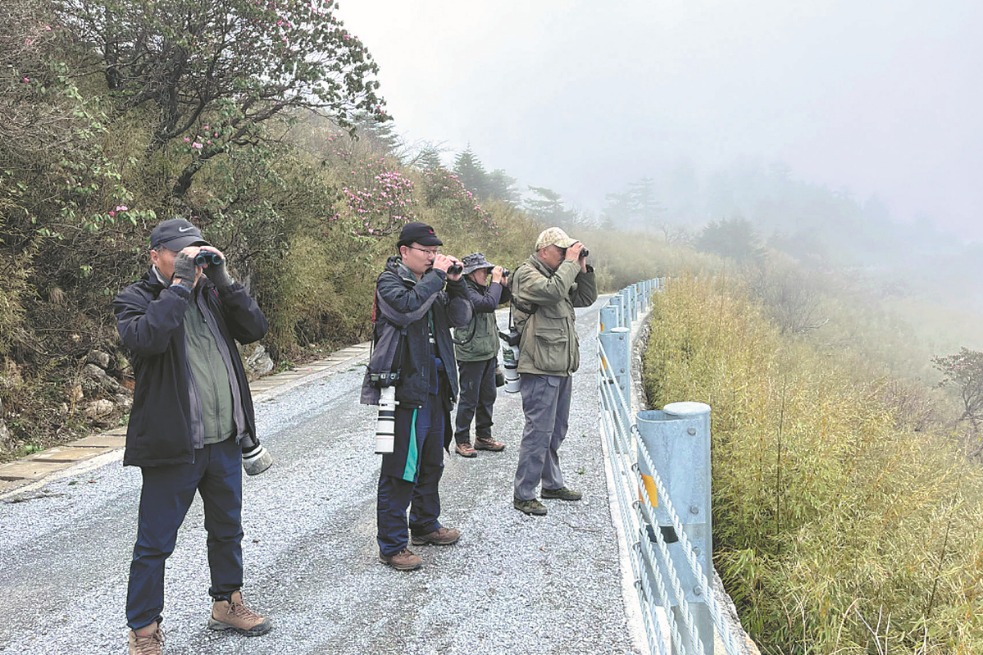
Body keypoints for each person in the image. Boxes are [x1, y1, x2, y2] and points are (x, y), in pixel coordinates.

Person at [113, 218, 272, 654]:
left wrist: (224, 279)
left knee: (227, 529)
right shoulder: (136, 298)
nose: (191, 261)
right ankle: (144, 632)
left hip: (224, 440)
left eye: (196, 252)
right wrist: (180, 286)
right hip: (174, 446)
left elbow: (255, 329)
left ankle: (227, 603)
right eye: (180, 253)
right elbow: (147, 339)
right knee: (155, 544)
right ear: (155, 256)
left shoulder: (213, 293)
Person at [361, 222, 472, 571]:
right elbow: (405, 311)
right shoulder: (389, 282)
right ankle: (392, 545)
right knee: (400, 468)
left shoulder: (432, 283)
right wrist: (436, 278)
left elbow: (461, 317)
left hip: (436, 386)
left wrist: (457, 284)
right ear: (404, 251)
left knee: (432, 461)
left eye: (435, 251)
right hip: (405, 388)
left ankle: (424, 524)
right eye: (426, 251)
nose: (432, 256)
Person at [509, 227, 598, 516]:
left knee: (557, 429)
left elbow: (585, 299)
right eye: (560, 250)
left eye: (567, 250)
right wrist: (570, 264)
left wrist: (582, 268)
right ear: (543, 249)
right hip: (539, 366)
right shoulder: (527, 274)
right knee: (538, 431)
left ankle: (551, 483)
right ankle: (524, 494)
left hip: (560, 365)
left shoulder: (558, 274)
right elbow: (553, 292)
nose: (564, 255)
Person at [451, 252, 511, 457]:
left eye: (487, 270)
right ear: (471, 273)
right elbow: (488, 304)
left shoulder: (481, 288)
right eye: (483, 271)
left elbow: (502, 298)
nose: (486, 274)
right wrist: (495, 281)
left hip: (488, 352)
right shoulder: (465, 290)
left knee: (488, 396)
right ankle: (462, 440)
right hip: (471, 353)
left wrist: (503, 284)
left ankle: (483, 437)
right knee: (469, 398)